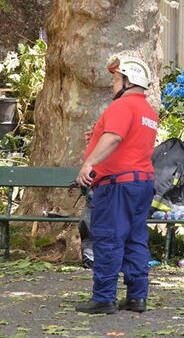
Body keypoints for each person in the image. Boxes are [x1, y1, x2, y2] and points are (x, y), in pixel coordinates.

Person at [73, 52, 158, 314]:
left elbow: (114, 138)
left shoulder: (122, 106)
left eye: (116, 79)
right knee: (135, 239)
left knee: (108, 238)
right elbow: (128, 140)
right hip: (141, 184)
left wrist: (89, 163)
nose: (112, 83)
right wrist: (97, 137)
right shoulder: (148, 111)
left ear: (129, 80)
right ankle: (136, 297)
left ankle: (103, 298)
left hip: (117, 185)